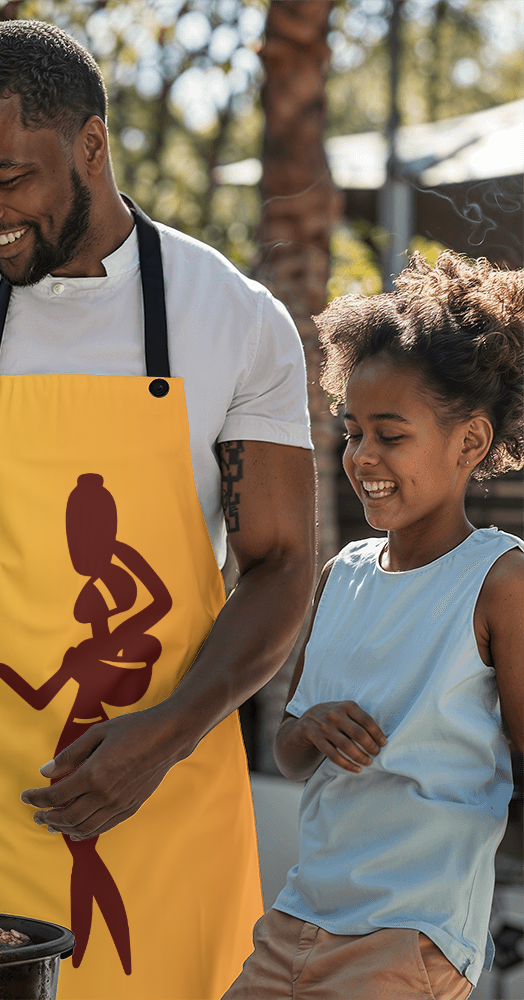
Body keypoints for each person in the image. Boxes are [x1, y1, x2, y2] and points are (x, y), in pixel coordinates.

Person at [0, 19, 317, 999]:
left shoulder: (233, 317)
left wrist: (165, 734)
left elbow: (284, 561)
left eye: (5, 179)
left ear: (90, 144)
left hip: (173, 794)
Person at [221, 251, 524, 1000]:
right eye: (352, 432)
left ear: (470, 444)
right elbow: (291, 757)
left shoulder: (499, 582)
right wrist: (314, 726)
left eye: (390, 434)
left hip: (408, 937)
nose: (362, 457)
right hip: (296, 920)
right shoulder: (341, 575)